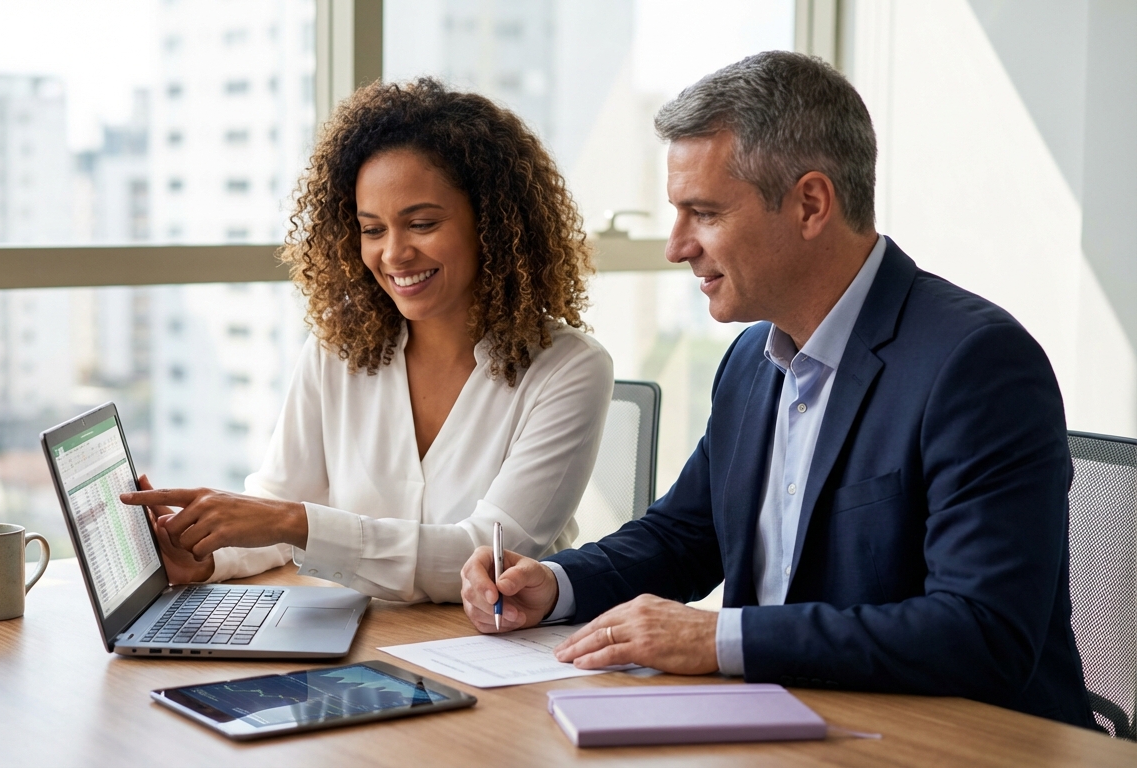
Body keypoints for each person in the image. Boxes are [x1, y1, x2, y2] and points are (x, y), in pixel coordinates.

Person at [460, 51, 1096, 728]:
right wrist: (555, 585)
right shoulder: (751, 361)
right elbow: (685, 535)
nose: (677, 246)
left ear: (811, 204)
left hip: (963, 744)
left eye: (702, 213)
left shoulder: (976, 364)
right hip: (791, 726)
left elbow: (982, 632)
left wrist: (718, 639)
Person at [122, 79, 613, 603]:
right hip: (359, 651)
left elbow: (487, 561)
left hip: (498, 657)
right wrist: (207, 555)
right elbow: (279, 507)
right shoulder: (338, 348)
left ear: (492, 224)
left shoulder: (570, 368)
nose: (394, 254)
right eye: (372, 230)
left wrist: (296, 522)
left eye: (421, 223)